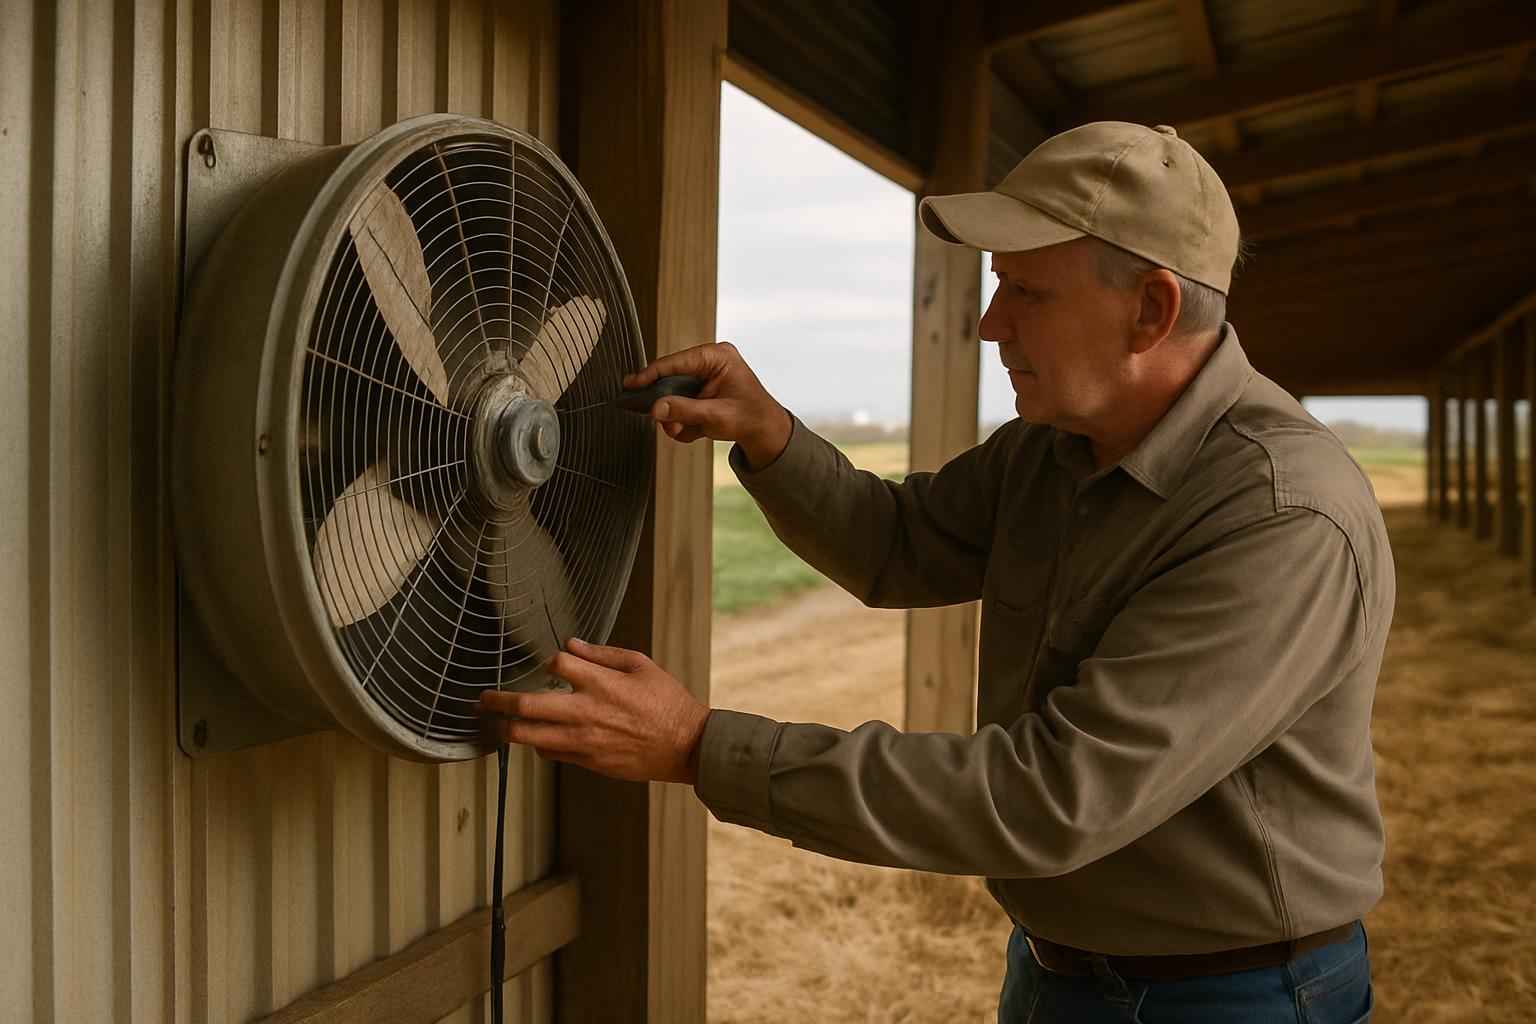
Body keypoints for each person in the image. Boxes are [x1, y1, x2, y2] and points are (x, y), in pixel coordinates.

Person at [479, 121, 1392, 1023]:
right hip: (1059, 971)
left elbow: (1051, 797)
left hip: (1235, 999)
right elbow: (899, 544)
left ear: (1151, 310)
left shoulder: (1281, 514)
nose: (992, 325)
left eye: (1027, 292)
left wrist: (698, 746)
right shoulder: (1053, 448)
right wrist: (771, 435)